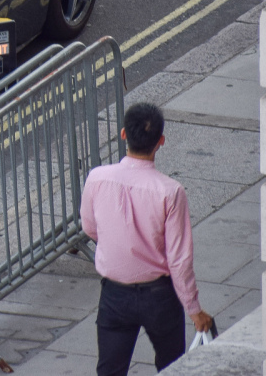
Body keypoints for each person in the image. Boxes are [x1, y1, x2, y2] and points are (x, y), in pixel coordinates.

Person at [80, 102, 214, 376]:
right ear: (161, 142)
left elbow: (90, 227)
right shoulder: (170, 191)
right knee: (171, 367)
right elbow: (179, 260)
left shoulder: (96, 179)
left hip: (114, 295)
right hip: (160, 297)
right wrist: (194, 309)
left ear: (123, 135)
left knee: (109, 370)